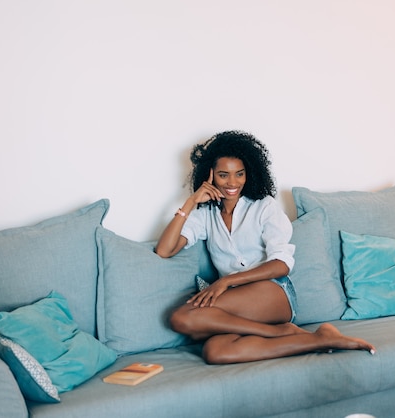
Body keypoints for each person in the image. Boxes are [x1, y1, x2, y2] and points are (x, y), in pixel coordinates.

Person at [155, 130, 375, 364]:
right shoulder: (205, 214)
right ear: (209, 176)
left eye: (239, 174)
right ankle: (315, 338)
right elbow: (164, 250)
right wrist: (190, 202)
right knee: (216, 352)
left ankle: (281, 330)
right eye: (223, 175)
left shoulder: (263, 206)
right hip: (239, 304)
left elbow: (281, 265)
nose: (232, 183)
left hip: (273, 292)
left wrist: (226, 281)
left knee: (182, 318)